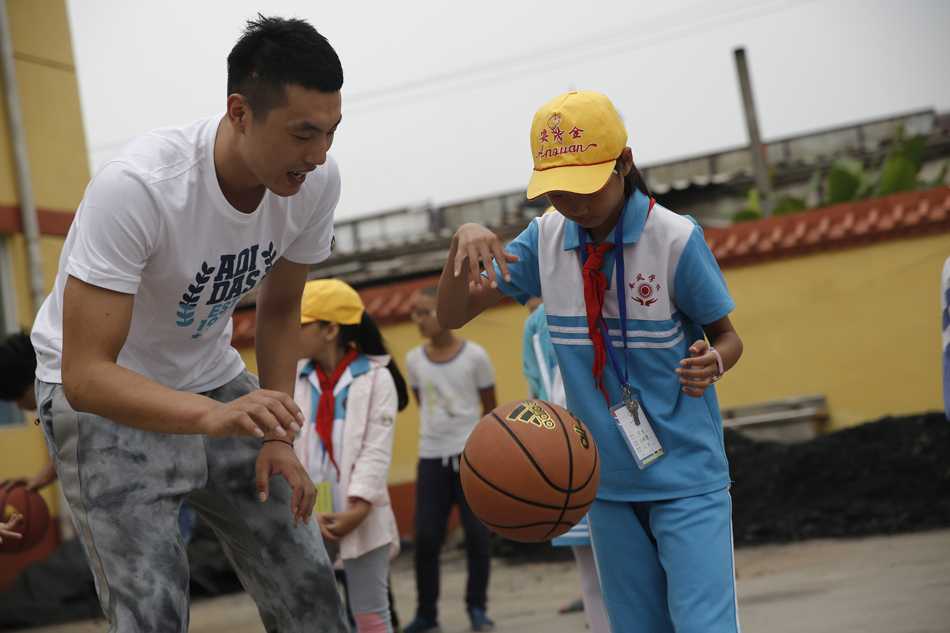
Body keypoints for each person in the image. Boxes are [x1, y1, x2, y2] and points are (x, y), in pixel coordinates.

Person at [28, 15, 350, 632]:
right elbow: (85, 374)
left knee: (310, 589)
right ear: (239, 112)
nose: (318, 155)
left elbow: (280, 311)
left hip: (213, 377)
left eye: (331, 133)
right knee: (150, 611)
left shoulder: (313, 184)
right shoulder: (141, 189)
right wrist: (208, 417)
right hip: (104, 401)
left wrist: (278, 434)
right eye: (303, 134)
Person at [436, 90, 744, 633]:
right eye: (556, 189)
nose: (572, 202)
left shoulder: (674, 239)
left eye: (584, 187)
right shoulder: (544, 240)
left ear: (624, 163)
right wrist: (461, 247)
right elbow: (453, 314)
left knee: (703, 626)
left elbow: (728, 337)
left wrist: (712, 362)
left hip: (688, 478)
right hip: (605, 485)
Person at [292, 279, 409, 633]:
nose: (291, 332)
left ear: (330, 329)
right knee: (313, 612)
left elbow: (376, 449)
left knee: (372, 616)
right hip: (304, 511)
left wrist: (357, 509)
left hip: (361, 511)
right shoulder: (292, 377)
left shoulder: (376, 379)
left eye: (302, 324)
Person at [403, 287, 497, 633]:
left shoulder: (476, 356)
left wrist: (483, 455)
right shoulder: (413, 360)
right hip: (431, 457)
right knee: (426, 536)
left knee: (477, 535)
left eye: (425, 312)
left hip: (471, 457)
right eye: (415, 313)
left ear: (444, 312)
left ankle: (477, 609)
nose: (419, 320)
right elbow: (420, 402)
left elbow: (490, 408)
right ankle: (426, 614)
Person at [521, 302, 611, 633]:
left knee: (591, 573)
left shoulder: (535, 325)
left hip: (566, 454)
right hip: (594, 449)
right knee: (616, 568)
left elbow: (535, 398)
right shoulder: (594, 299)